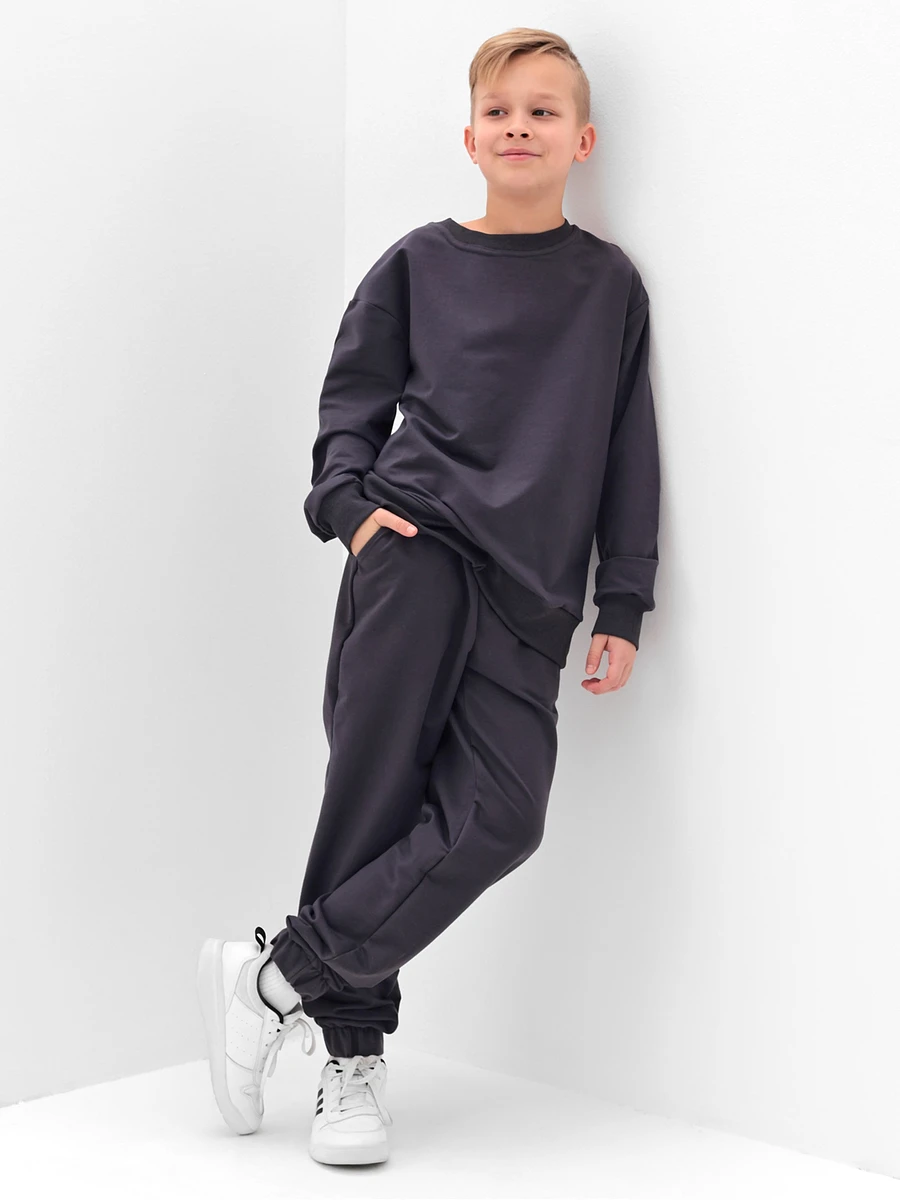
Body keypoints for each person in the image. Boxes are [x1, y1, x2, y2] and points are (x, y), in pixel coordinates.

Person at [197, 26, 661, 1167]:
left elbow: (626, 449)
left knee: (503, 816)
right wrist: (350, 512)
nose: (519, 127)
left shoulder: (608, 285)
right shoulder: (418, 262)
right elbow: (348, 404)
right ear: (469, 136)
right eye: (500, 111)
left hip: (531, 593)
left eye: (543, 111)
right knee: (373, 799)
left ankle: (275, 980)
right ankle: (350, 1066)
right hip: (413, 554)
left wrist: (622, 600)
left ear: (582, 140)